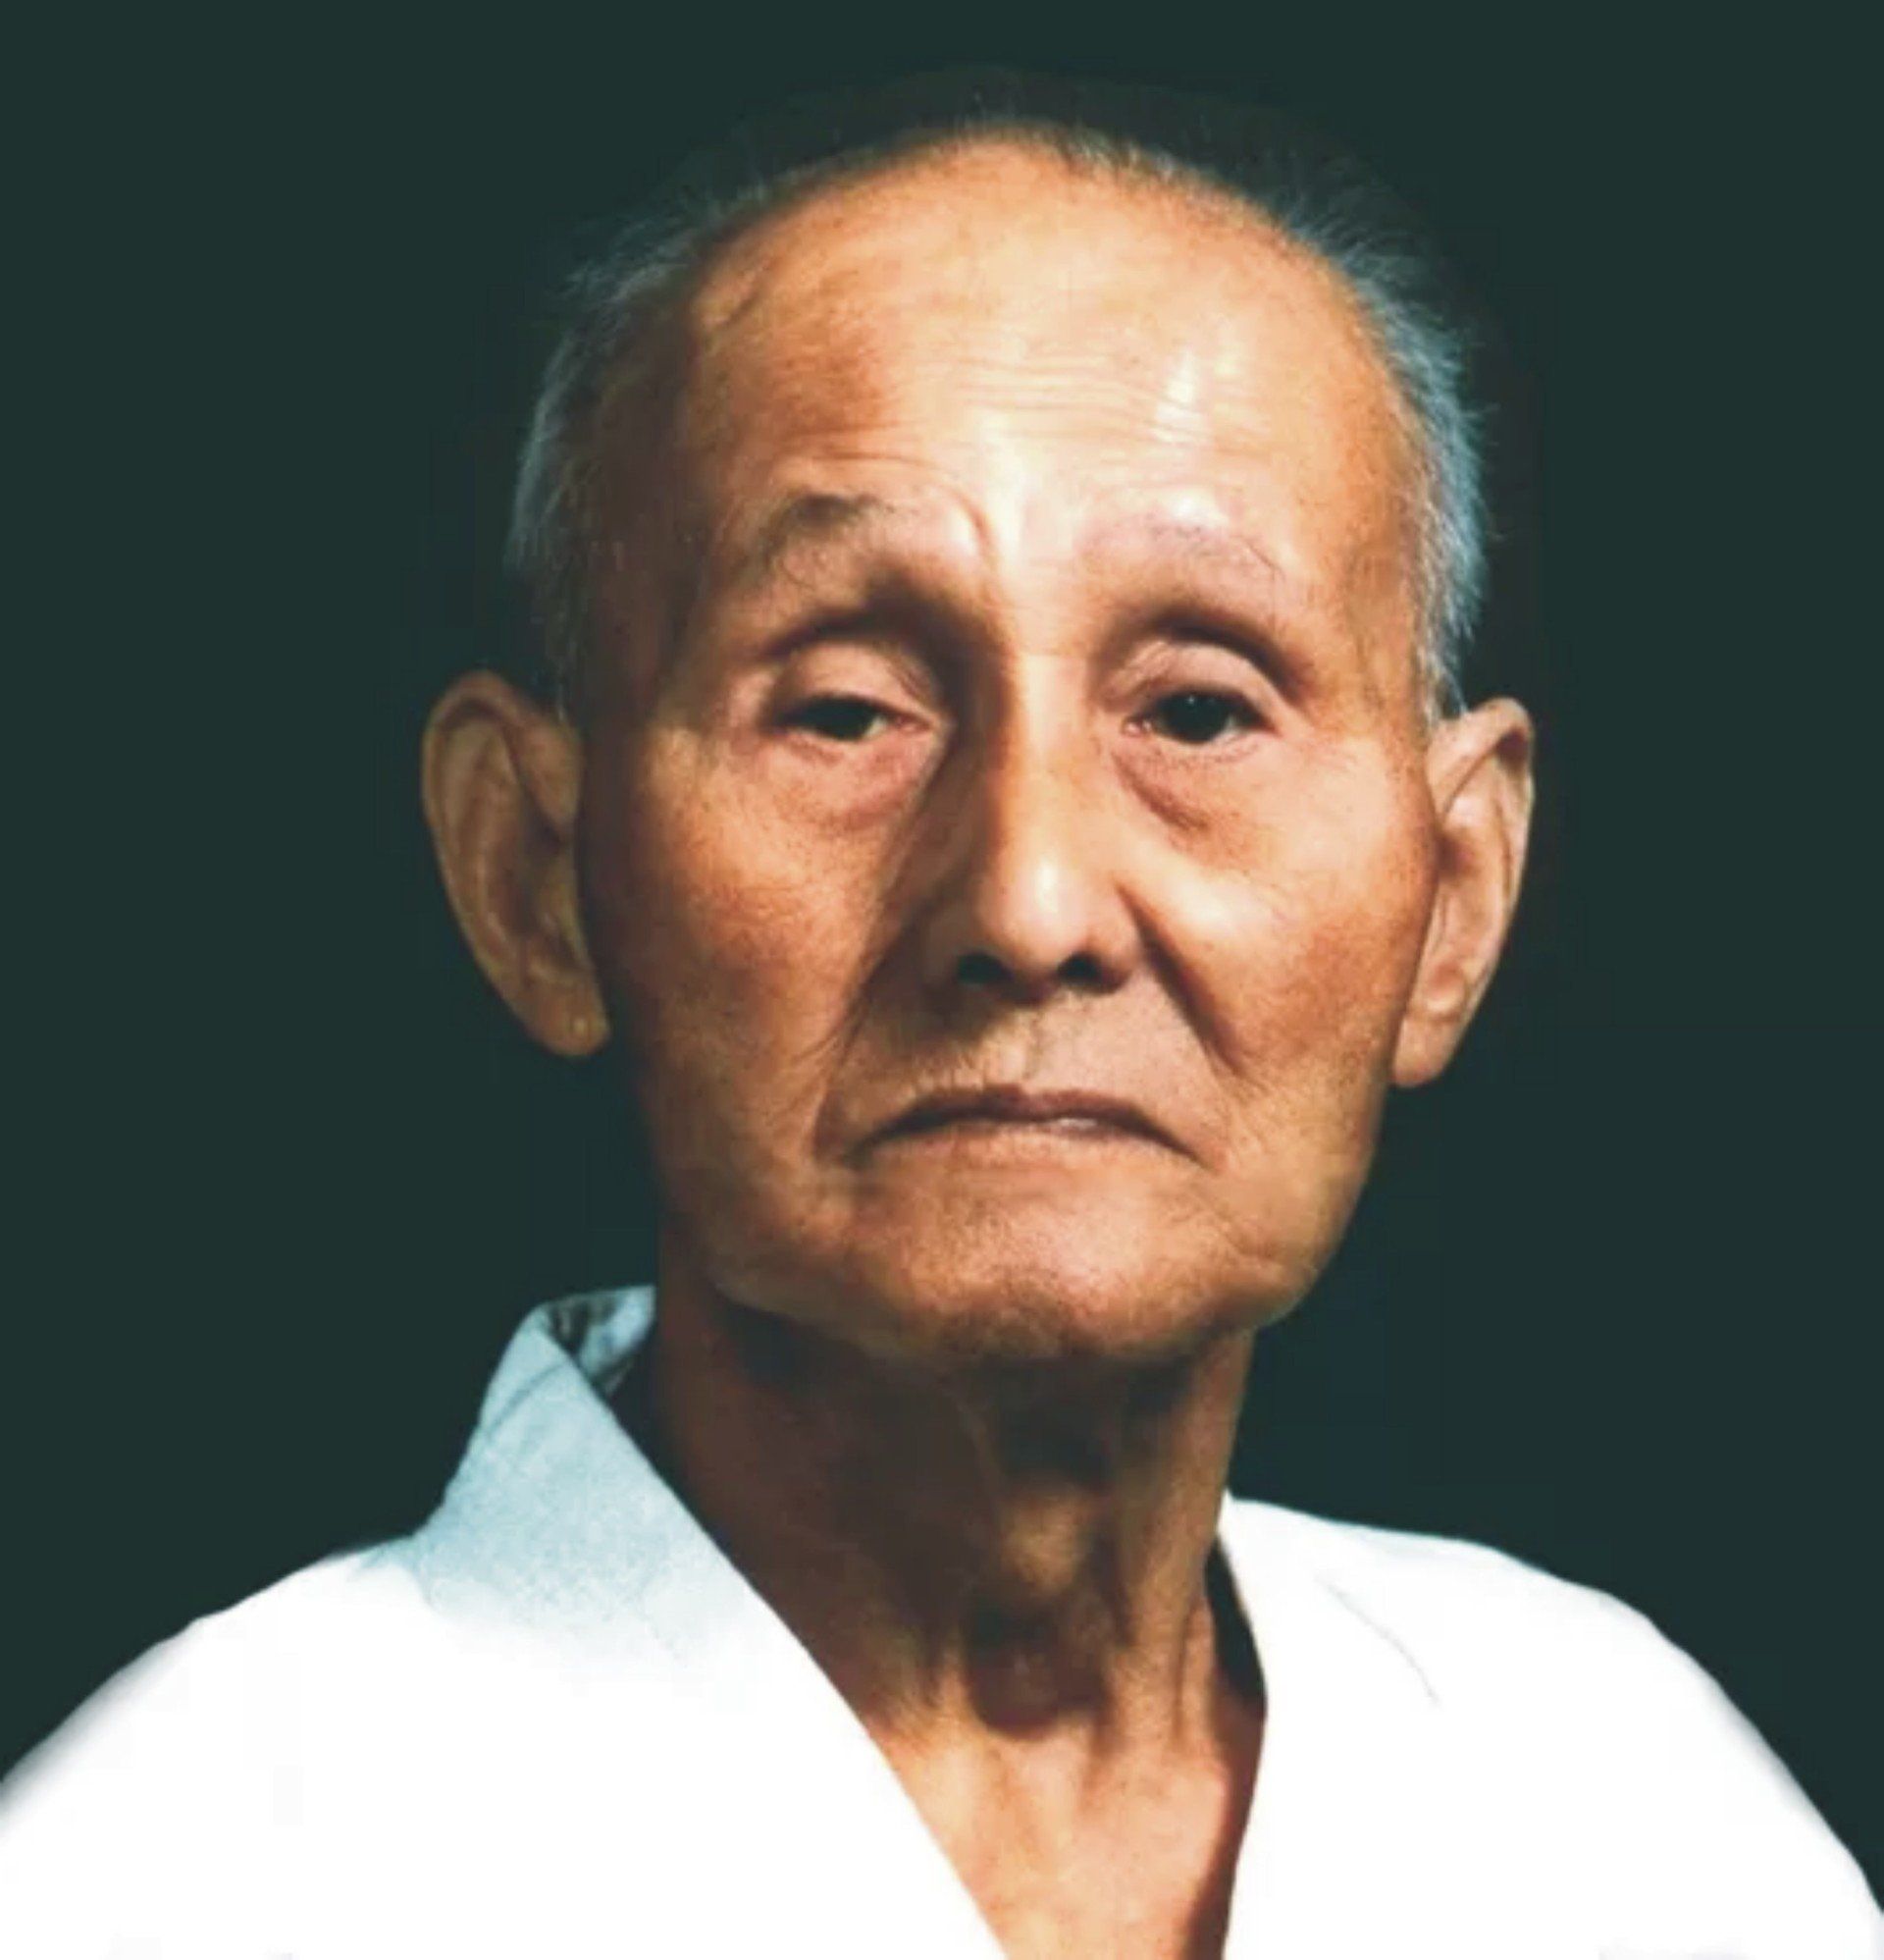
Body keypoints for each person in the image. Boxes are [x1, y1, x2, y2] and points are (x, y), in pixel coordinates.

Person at [2, 77, 1876, 1959]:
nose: (1031, 903)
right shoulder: (164, 1877)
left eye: (1199, 709)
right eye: (845, 711)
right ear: (535, 873)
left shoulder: (1637, 1816)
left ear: (1453, 896)